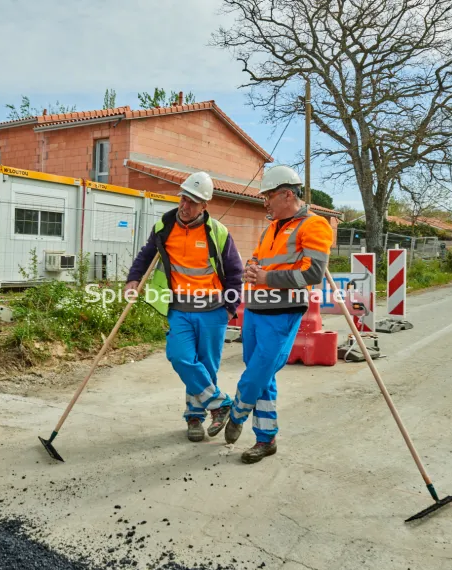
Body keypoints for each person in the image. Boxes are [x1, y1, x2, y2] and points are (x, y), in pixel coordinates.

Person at [224, 165, 333, 463]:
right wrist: (251, 268)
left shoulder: (314, 225)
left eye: (268, 196)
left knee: (258, 370)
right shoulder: (272, 226)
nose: (265, 202)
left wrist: (266, 279)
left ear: (287, 194)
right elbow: (259, 258)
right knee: (263, 374)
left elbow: (312, 273)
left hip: (283, 311)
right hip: (256, 308)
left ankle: (237, 412)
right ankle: (266, 439)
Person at [125, 171, 243, 442]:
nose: (185, 206)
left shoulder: (218, 233)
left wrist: (230, 307)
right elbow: (145, 256)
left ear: (205, 205)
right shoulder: (164, 227)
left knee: (206, 367)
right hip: (179, 308)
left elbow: (235, 273)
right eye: (183, 199)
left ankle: (195, 418)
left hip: (213, 311)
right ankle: (221, 403)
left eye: (192, 201)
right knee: (180, 358)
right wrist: (133, 279)